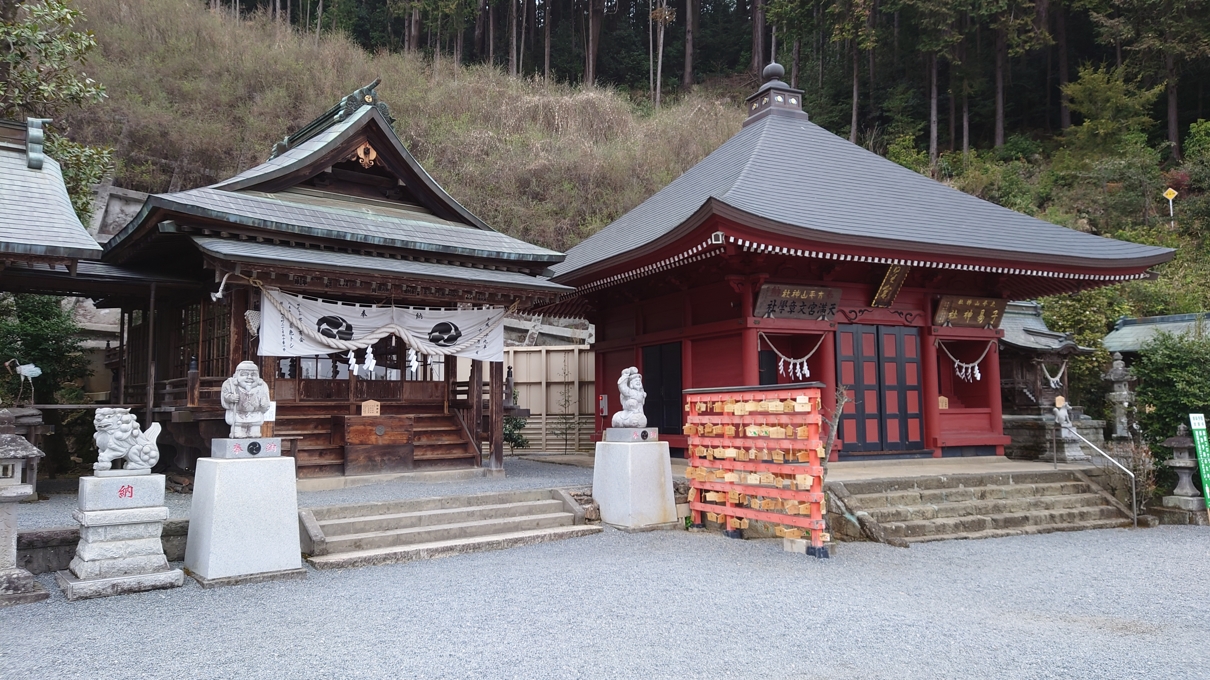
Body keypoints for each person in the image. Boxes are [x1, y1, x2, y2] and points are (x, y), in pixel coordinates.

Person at [221, 361, 271, 438]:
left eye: (253, 375)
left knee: (255, 431)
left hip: (255, 414)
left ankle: (254, 432)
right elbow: (225, 396)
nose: (249, 377)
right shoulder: (230, 384)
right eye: (244, 374)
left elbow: (266, 400)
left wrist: (264, 402)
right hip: (238, 414)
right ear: (237, 375)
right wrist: (230, 398)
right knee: (238, 430)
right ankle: (237, 432)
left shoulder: (262, 385)